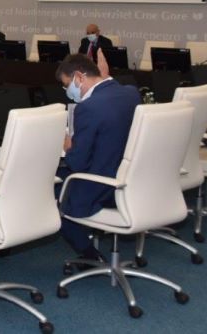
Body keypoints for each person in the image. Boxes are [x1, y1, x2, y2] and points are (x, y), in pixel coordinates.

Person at [55, 53, 141, 263]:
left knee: (46, 188)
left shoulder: (88, 107)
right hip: (132, 181)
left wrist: (68, 145)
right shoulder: (131, 93)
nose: (68, 91)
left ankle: (90, 254)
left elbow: (77, 163)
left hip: (102, 188)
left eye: (67, 85)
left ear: (79, 77)